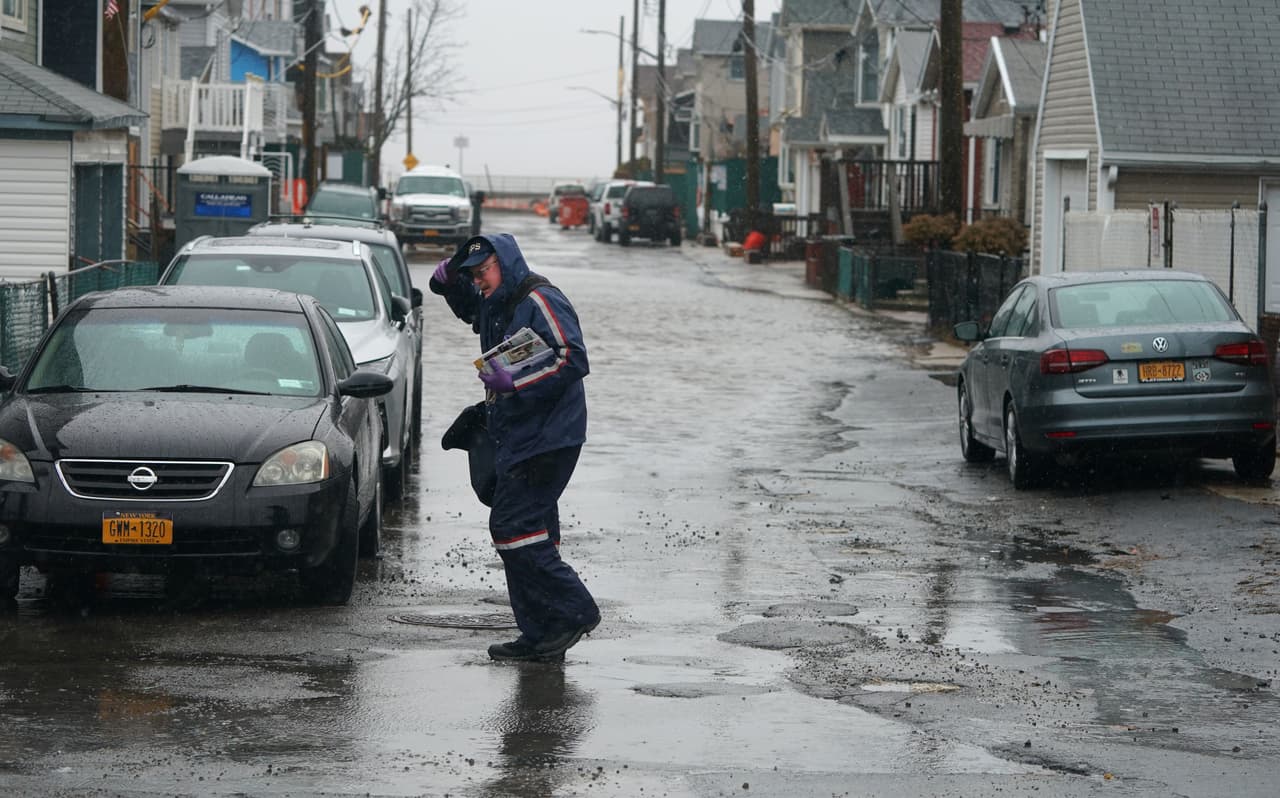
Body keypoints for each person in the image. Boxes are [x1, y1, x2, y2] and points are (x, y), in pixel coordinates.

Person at [430, 233, 600, 663]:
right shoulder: (494, 301)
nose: (479, 282)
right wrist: (449, 284)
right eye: (473, 275)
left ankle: (575, 610)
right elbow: (472, 311)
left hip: (551, 436)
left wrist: (516, 383)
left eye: (482, 272)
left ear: (504, 263)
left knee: (511, 528)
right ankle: (542, 633)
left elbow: (572, 357)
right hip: (517, 433)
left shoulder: (541, 299)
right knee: (535, 532)